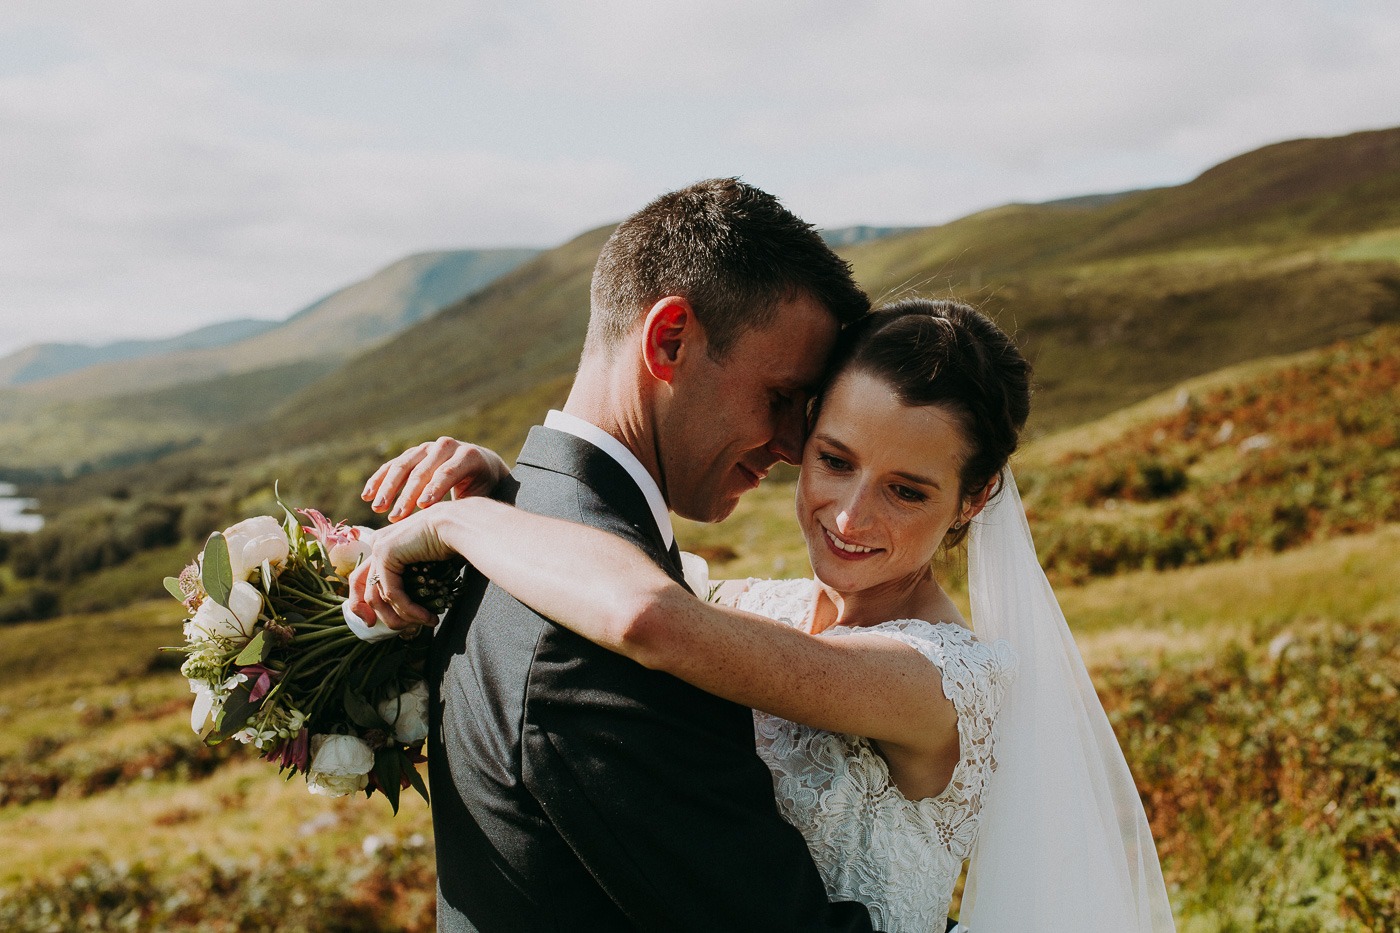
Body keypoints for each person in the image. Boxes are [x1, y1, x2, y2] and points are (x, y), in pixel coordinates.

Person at [353, 301, 1178, 931]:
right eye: (835, 460)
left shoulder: (944, 681)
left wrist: (461, 522)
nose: (850, 517)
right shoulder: (761, 605)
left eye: (907, 489)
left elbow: (648, 615)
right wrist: (510, 483)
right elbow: (605, 581)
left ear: (977, 496)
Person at [354, 178, 880, 932]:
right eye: (780, 397)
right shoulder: (593, 633)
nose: (797, 447)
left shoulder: (513, 515)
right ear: (670, 340)